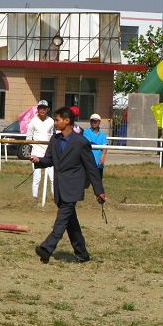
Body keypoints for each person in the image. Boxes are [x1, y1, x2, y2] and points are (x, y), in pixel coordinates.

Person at [31, 106, 107, 264]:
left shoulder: (81, 142)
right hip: (59, 187)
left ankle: (47, 248)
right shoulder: (55, 139)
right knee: (71, 222)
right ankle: (82, 253)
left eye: (58, 120)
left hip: (73, 187)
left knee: (62, 220)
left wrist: (98, 191)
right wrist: (39, 161)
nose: (55, 123)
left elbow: (91, 168)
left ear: (67, 121)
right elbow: (49, 159)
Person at [26, 100, 55, 203]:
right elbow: (28, 138)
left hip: (49, 153)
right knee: (37, 177)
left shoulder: (51, 121)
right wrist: (31, 152)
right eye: (40, 108)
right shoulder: (32, 121)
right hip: (36, 152)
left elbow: (52, 136)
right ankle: (35, 197)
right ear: (38, 109)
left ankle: (54, 198)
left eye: (44, 108)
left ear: (48, 109)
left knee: (52, 177)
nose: (42, 110)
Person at [83, 113, 108, 180]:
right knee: (85, 183)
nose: (93, 122)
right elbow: (88, 143)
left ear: (99, 122)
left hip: (98, 162)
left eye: (95, 121)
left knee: (98, 183)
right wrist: (100, 146)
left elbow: (105, 148)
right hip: (87, 162)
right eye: (92, 121)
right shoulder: (86, 132)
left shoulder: (103, 135)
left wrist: (103, 157)